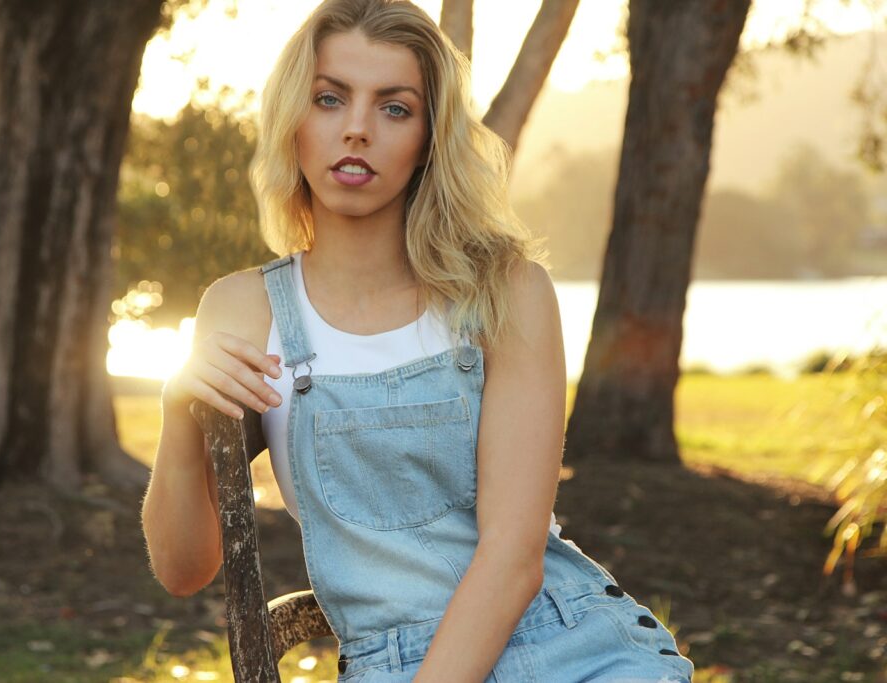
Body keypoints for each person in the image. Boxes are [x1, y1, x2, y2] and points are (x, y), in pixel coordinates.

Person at [143, 1, 695, 681]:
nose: (356, 129)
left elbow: (514, 557)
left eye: (394, 108)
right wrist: (179, 413)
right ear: (293, 116)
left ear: (430, 136)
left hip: (571, 646)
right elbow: (183, 569)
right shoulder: (242, 308)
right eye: (329, 98)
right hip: (387, 664)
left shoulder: (507, 290)